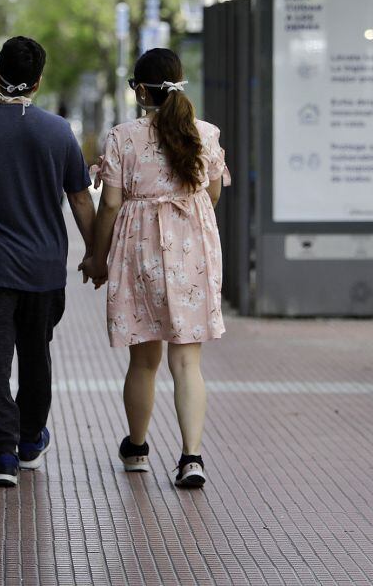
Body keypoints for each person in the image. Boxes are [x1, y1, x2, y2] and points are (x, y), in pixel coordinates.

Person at [0, 36, 96, 487]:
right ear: (38, 82)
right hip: (42, 270)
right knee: (35, 355)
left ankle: (3, 454)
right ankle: (29, 440)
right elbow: (80, 199)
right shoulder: (58, 132)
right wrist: (95, 253)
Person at [84, 48, 229, 488]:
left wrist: (97, 256)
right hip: (192, 250)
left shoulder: (122, 137)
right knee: (187, 361)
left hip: (140, 250)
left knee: (144, 359)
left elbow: (110, 204)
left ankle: (137, 449)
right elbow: (213, 194)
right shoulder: (205, 134)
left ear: (142, 91)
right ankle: (191, 458)